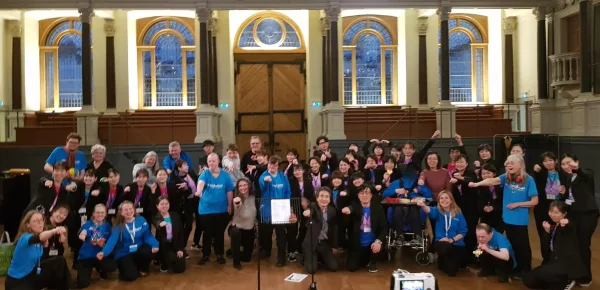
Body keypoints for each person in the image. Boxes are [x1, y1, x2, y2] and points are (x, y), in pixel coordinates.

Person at [469, 154, 538, 280]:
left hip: (520, 220)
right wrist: (477, 184)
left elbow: (534, 201)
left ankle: (526, 270)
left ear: (520, 165)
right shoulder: (506, 177)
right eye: (507, 163)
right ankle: (516, 267)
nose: (508, 165)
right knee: (512, 244)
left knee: (522, 246)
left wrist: (518, 204)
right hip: (507, 219)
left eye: (512, 163)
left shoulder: (529, 179)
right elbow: (492, 180)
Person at [523, 201, 584, 290]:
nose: (552, 215)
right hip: (554, 263)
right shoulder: (552, 227)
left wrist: (567, 222)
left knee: (536, 275)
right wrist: (547, 233)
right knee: (529, 280)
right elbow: (546, 251)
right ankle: (559, 284)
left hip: (566, 265)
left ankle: (568, 279)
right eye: (550, 211)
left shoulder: (566, 226)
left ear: (564, 214)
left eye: (556, 212)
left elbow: (571, 226)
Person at [4, 211, 71, 290]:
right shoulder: (25, 237)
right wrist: (54, 231)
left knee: (59, 261)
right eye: (35, 221)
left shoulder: (42, 238)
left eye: (41, 220)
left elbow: (46, 233)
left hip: (32, 274)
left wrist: (61, 234)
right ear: (28, 225)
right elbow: (40, 236)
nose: (40, 223)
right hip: (17, 282)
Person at [560, 154, 597, 287]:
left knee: (582, 245)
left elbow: (586, 175)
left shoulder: (585, 173)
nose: (566, 166)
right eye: (563, 164)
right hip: (574, 215)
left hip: (587, 215)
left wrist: (576, 169)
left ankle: (586, 277)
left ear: (576, 162)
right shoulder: (569, 178)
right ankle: (575, 274)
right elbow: (571, 199)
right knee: (574, 244)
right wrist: (564, 193)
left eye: (569, 163)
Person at [97, 201, 159, 281]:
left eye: (130, 209)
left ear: (134, 210)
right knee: (130, 277)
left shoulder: (141, 220)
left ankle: (142, 268)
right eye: (125, 210)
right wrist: (103, 252)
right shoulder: (118, 227)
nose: (129, 211)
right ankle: (125, 267)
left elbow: (148, 236)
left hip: (138, 250)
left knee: (148, 250)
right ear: (121, 213)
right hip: (124, 253)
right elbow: (111, 241)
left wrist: (155, 244)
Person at [195, 153, 234, 265]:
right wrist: (199, 191)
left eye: (213, 161)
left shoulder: (225, 175)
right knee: (207, 233)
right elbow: (201, 183)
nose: (211, 163)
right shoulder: (205, 173)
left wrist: (229, 205)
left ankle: (219, 254)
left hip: (221, 210)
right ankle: (205, 255)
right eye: (209, 161)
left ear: (218, 161)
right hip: (205, 210)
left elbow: (229, 190)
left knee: (219, 233)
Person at [417, 191, 467, 277]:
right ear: (439, 201)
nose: (444, 200)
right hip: (442, 243)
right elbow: (430, 211)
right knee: (444, 247)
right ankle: (442, 258)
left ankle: (446, 261)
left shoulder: (458, 213)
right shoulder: (437, 210)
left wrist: (452, 240)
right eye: (441, 198)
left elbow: (463, 231)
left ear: (451, 200)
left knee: (452, 273)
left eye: (446, 198)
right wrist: (423, 205)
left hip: (456, 243)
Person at [342, 184, 387, 273]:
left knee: (377, 249)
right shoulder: (354, 207)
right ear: (358, 195)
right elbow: (346, 224)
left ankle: (373, 260)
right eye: (362, 193)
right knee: (352, 267)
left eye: (367, 193)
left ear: (371, 195)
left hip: (373, 243)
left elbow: (384, 227)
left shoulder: (378, 208)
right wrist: (346, 214)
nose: (364, 195)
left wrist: (378, 241)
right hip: (358, 244)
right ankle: (365, 260)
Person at [532, 152, 567, 263]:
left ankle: (558, 259)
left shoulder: (563, 174)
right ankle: (546, 259)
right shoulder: (540, 173)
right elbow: (535, 172)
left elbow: (568, 192)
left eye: (551, 160)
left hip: (559, 207)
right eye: (545, 161)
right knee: (544, 234)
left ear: (555, 161)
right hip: (543, 208)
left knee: (559, 234)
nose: (548, 163)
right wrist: (536, 169)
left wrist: (564, 191)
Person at [258, 155, 293, 267]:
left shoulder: (283, 176)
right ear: (268, 164)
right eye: (270, 164)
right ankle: (266, 251)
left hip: (280, 209)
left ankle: (281, 257)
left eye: (275, 164)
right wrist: (265, 181)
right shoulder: (264, 176)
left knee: (281, 234)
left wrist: (286, 204)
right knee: (266, 232)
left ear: (278, 166)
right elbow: (262, 186)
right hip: (268, 209)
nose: (272, 166)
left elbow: (287, 190)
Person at [76, 204, 117, 288]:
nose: (100, 215)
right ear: (93, 214)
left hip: (100, 256)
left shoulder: (107, 226)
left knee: (112, 266)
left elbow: (109, 244)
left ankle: (101, 270)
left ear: (105, 214)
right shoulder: (88, 224)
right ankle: (89, 269)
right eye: (97, 212)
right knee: (82, 284)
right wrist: (83, 235)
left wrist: (102, 245)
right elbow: (83, 232)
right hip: (86, 257)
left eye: (102, 212)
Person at [302, 187, 339, 274]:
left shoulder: (332, 211)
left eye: (327, 196)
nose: (324, 199)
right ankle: (306, 256)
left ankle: (320, 257)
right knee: (312, 270)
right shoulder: (313, 206)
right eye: (321, 196)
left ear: (330, 199)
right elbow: (309, 209)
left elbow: (335, 228)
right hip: (312, 243)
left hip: (324, 243)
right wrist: (307, 212)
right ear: (317, 198)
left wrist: (334, 246)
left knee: (334, 267)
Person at [169, 159, 199, 254]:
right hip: (183, 206)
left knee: (191, 226)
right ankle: (181, 247)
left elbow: (196, 184)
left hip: (194, 202)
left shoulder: (190, 173)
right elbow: (180, 195)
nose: (187, 167)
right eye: (185, 165)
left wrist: (200, 175)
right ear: (179, 168)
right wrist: (186, 189)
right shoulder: (175, 180)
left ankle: (184, 245)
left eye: (187, 165)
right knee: (185, 227)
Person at [229, 178, 257, 270]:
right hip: (237, 228)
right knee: (235, 233)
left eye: (245, 185)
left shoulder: (253, 198)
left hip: (249, 230)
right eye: (240, 186)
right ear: (237, 188)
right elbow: (237, 203)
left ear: (249, 186)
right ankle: (236, 262)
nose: (243, 187)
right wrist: (237, 202)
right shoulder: (237, 198)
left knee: (247, 258)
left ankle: (232, 252)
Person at [153, 196, 186, 273]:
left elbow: (181, 233)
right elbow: (157, 224)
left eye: (166, 203)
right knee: (170, 263)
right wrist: (160, 224)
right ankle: (163, 261)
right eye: (162, 204)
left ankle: (171, 258)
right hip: (164, 247)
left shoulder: (175, 216)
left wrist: (180, 249)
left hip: (175, 244)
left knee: (180, 268)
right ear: (157, 206)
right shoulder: (156, 218)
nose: (164, 206)